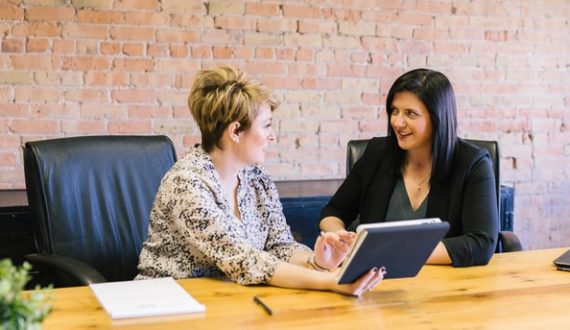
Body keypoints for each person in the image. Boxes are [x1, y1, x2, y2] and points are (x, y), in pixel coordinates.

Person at [136, 65, 384, 296]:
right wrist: (331, 281)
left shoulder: (256, 177)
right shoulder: (186, 184)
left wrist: (317, 262)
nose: (272, 136)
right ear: (235, 131)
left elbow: (280, 246)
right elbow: (244, 260)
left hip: (231, 299)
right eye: (266, 126)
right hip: (166, 302)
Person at [319, 68, 499, 267]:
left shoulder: (473, 164)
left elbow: (481, 243)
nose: (397, 122)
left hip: (444, 283)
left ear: (437, 118)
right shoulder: (377, 154)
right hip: (375, 281)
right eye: (394, 111)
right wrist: (339, 237)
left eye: (410, 114)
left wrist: (394, 253)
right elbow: (333, 211)